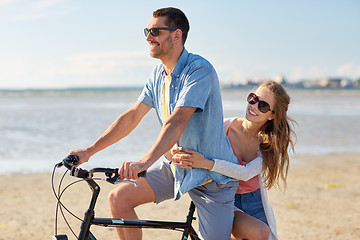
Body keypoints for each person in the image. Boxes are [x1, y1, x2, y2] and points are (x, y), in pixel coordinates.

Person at [68, 7, 239, 240]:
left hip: (211, 177)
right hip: (176, 167)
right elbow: (132, 116)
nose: (148, 37)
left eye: (155, 31)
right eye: (147, 31)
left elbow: (178, 120)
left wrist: (144, 163)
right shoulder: (158, 74)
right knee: (119, 199)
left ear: (176, 35)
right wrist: (89, 151)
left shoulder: (199, 70)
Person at [171, 81, 297, 240]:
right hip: (226, 197)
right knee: (259, 233)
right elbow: (196, 138)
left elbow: (245, 173)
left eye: (263, 106)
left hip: (255, 202)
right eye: (253, 98)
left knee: (264, 234)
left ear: (272, 115)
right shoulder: (225, 127)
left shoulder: (269, 144)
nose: (254, 106)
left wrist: (206, 163)